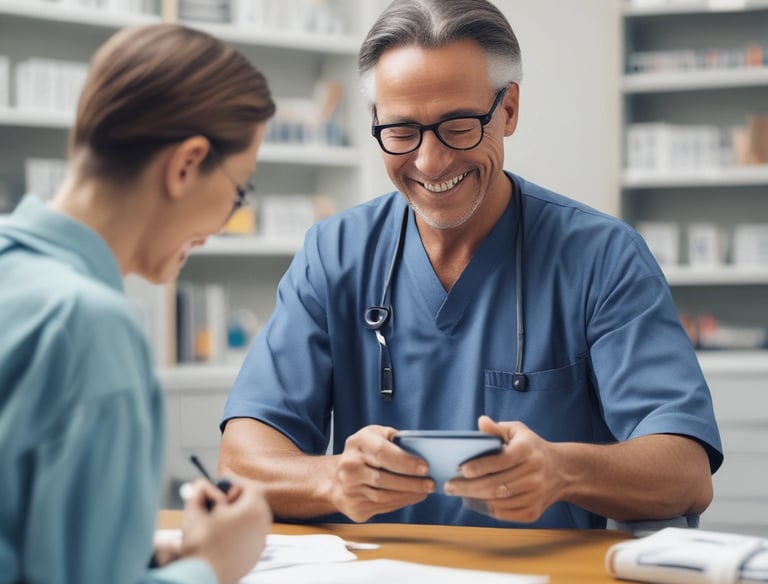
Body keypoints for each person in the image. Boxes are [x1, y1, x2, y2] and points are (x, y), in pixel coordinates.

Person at [218, 0, 723, 529]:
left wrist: (562, 471)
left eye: (458, 126)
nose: (430, 162)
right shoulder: (334, 254)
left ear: (509, 110)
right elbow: (241, 462)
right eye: (401, 130)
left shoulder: (602, 258)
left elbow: (686, 473)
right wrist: (333, 480)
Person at [0, 23, 275, 584]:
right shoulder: (88, 328)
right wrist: (213, 565)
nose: (224, 224)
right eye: (239, 191)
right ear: (186, 164)